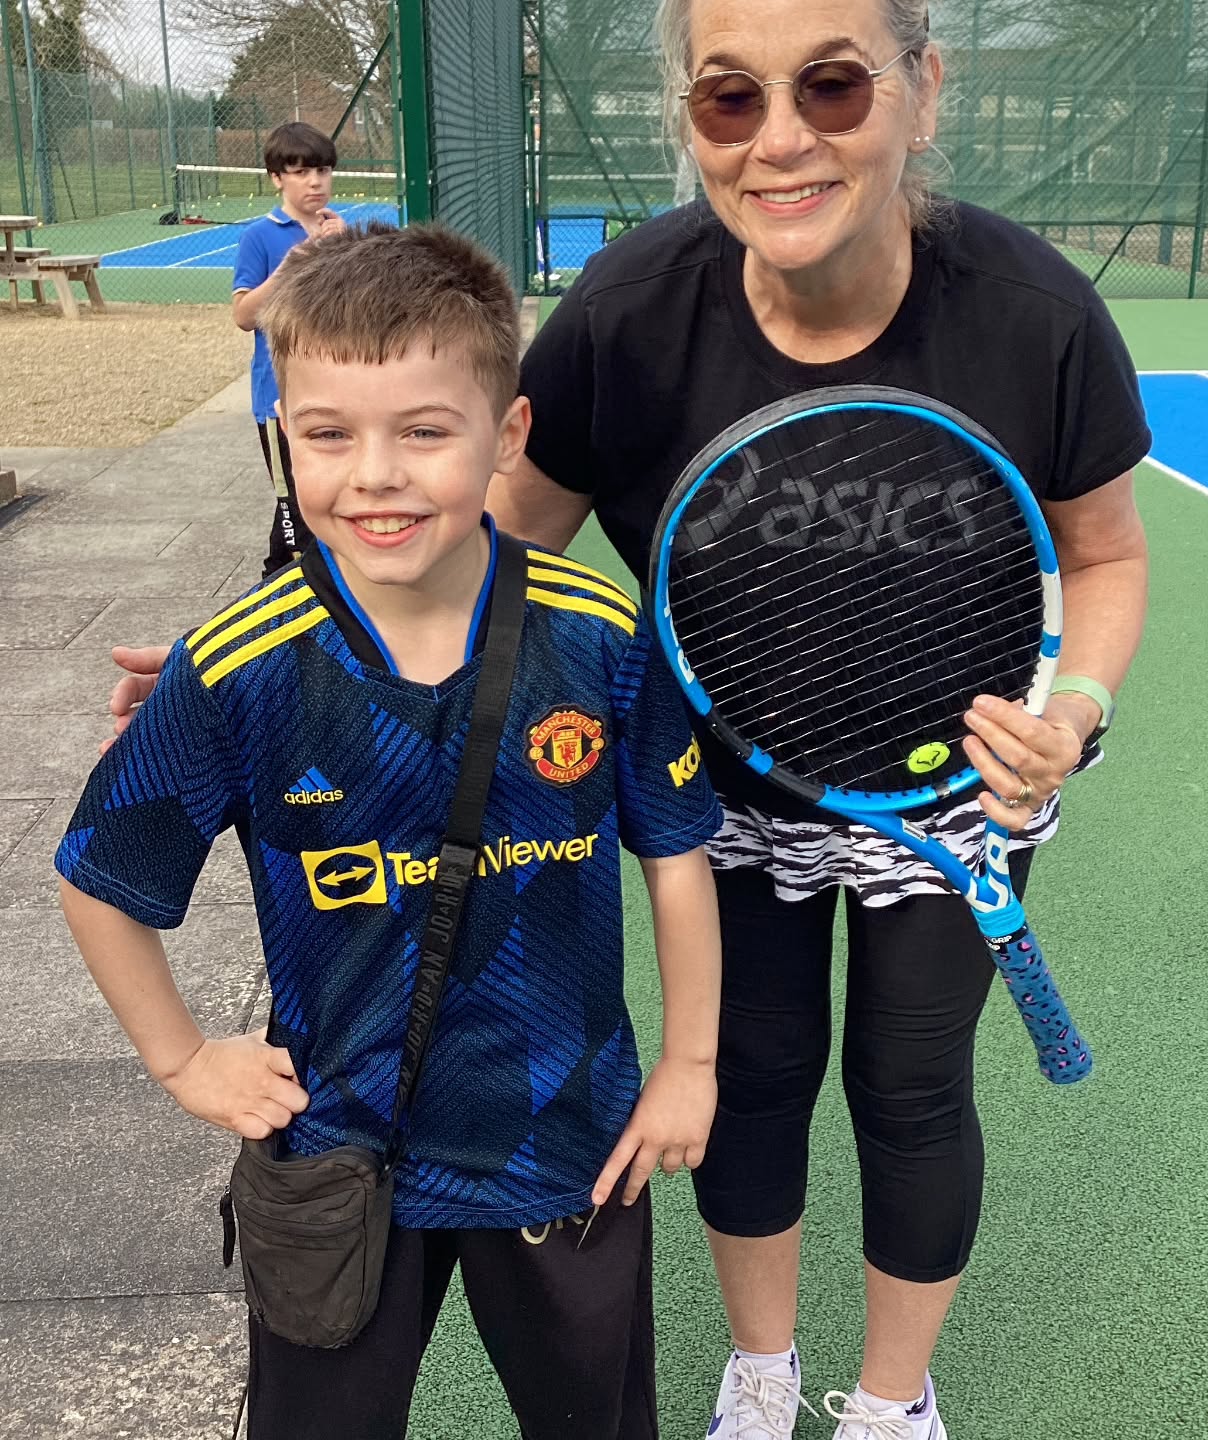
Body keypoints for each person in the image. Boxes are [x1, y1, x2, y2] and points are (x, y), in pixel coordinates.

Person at [496, 3, 1151, 1437]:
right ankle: (763, 1371)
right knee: (753, 1075)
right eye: (729, 99)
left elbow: (1101, 553)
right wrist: (268, 654)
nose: (782, 138)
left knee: (912, 1088)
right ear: (694, 121)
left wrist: (1075, 709)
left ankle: (890, 1404)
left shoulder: (1029, 314)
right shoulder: (625, 312)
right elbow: (494, 551)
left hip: (955, 803)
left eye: (833, 85)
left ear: (920, 89)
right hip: (720, 799)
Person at [58, 223, 723, 1440]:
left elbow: (677, 854)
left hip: (564, 1137)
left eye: (424, 430)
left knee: (598, 1420)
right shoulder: (240, 665)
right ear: (284, 439)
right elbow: (101, 881)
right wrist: (183, 1058)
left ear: (505, 437)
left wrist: (688, 1068)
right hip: (339, 1141)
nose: (375, 475)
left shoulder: (599, 637)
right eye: (328, 434)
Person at [233, 121, 346, 575]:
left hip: (335, 395)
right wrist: (299, 260)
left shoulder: (342, 230)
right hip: (280, 399)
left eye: (322, 170)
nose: (315, 181)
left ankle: (298, 584)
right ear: (277, 178)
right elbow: (244, 315)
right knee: (294, 507)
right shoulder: (260, 237)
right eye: (300, 172)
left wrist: (342, 254)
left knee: (323, 500)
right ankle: (280, 588)